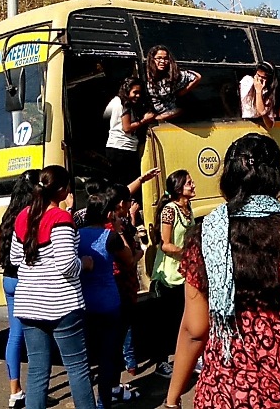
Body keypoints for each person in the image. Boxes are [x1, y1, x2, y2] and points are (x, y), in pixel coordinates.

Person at [164, 133, 280, 409]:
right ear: (277, 177)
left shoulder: (206, 237)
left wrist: (172, 398)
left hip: (225, 391)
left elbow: (194, 330)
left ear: (229, 177)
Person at [10, 165, 97, 409]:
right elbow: (67, 265)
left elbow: (15, 259)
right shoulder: (60, 218)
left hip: (29, 303)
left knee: (37, 371)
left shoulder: (23, 216)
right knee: (77, 368)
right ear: (61, 190)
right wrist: (85, 263)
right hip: (61, 303)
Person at [78, 193, 133, 409]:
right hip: (109, 302)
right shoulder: (110, 237)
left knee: (85, 357)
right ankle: (104, 402)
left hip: (83, 302)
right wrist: (120, 231)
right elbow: (129, 258)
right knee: (107, 356)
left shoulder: (77, 235)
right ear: (108, 214)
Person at [0, 168, 41, 409]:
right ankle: (36, 392)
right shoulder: (31, 216)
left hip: (8, 280)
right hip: (25, 280)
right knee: (35, 337)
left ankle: (15, 391)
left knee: (14, 335)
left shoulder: (8, 216)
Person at [149, 169, 197, 378]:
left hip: (184, 273)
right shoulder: (170, 210)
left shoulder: (188, 208)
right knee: (167, 323)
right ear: (178, 188)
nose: (193, 185)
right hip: (168, 276)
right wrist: (187, 253)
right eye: (188, 183)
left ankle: (187, 359)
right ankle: (161, 363)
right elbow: (165, 244)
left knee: (186, 319)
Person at [103, 183, 146, 402]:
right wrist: (138, 253)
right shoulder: (113, 227)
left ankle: (112, 387)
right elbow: (128, 258)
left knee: (112, 342)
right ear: (121, 204)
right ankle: (112, 389)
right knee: (116, 341)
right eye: (128, 201)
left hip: (111, 289)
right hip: (120, 286)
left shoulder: (99, 220)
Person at [104, 77, 156, 186]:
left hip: (114, 147)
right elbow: (127, 128)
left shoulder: (115, 101)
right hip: (123, 149)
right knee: (127, 184)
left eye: (139, 93)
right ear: (127, 90)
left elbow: (106, 115)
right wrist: (144, 120)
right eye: (135, 92)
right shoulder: (125, 104)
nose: (138, 96)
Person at [145, 45, 202, 122]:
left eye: (165, 58)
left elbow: (197, 77)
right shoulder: (145, 76)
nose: (162, 61)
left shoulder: (173, 75)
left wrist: (182, 92)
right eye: (159, 58)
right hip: (151, 117)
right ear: (152, 59)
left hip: (170, 116)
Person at [239, 61, 278, 129]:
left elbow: (269, 124)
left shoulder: (268, 94)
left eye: (263, 78)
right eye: (258, 75)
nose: (259, 79)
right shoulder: (247, 82)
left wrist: (259, 91)